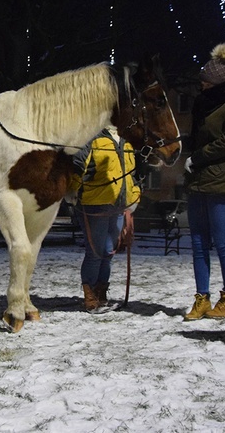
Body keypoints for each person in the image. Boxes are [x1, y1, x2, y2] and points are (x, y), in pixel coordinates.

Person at [183, 43, 225, 321]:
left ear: (217, 81)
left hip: (223, 180)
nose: (201, 83)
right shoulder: (204, 104)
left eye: (205, 79)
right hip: (199, 181)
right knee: (198, 243)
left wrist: (198, 157)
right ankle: (202, 298)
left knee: (222, 242)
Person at [70, 126, 141, 312]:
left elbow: (133, 175)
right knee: (95, 252)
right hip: (94, 203)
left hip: (118, 205)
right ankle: (90, 296)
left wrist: (134, 197)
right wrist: (73, 192)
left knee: (109, 252)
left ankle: (101, 293)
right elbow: (77, 168)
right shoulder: (91, 138)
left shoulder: (126, 141)